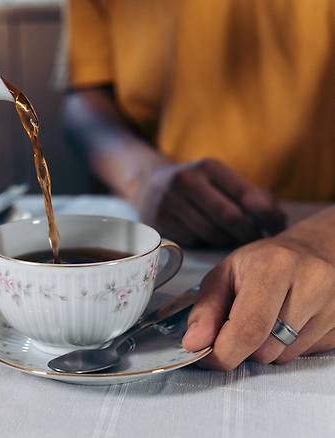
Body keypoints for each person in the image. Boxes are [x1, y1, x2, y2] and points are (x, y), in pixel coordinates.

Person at [64, 0, 335, 370]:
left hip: (318, 224)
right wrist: (142, 176)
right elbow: (85, 94)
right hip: (162, 229)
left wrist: (316, 242)